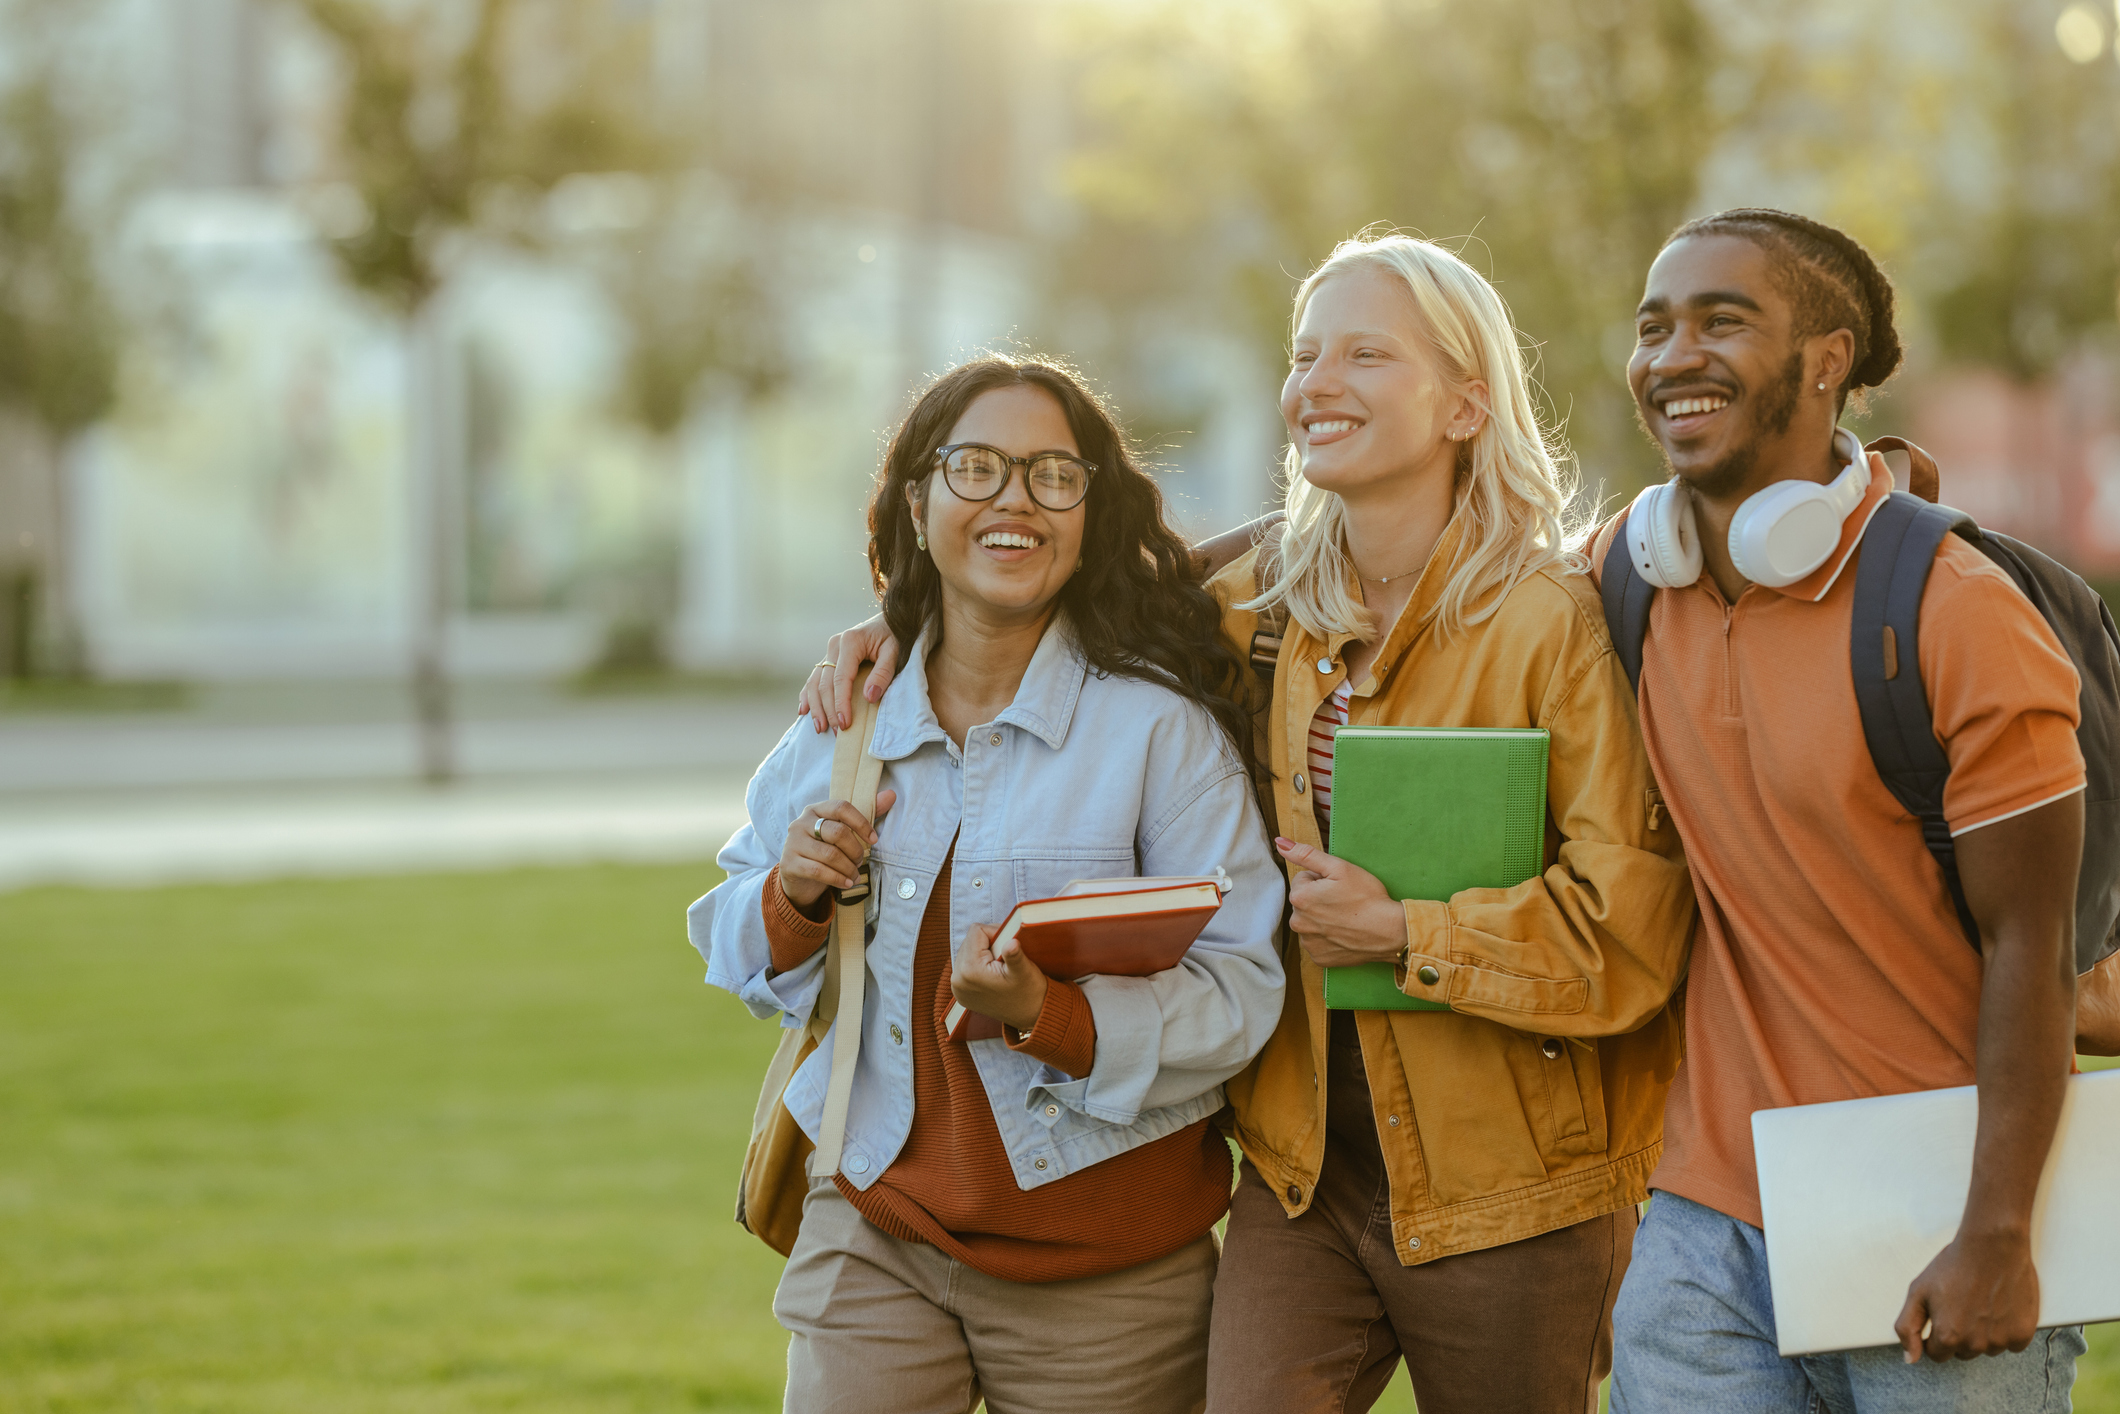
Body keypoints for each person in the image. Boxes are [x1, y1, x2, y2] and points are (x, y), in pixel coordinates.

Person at [802, 235, 1697, 1414]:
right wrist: (893, 627)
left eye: (1364, 353)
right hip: (1298, 1179)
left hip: (1512, 1189)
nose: (1313, 381)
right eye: (1302, 352)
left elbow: (1630, 934)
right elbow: (1027, 579)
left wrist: (1404, 931)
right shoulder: (1252, 605)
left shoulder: (1547, 626)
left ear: (1466, 400)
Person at [690, 354, 1287, 1414]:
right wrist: (792, 894)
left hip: (1108, 1277)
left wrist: (1052, 1016)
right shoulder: (846, 720)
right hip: (876, 1228)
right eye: (976, 467)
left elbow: (1241, 990)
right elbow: (730, 943)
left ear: (1086, 514)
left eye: (1052, 474)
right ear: (917, 504)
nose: (1014, 497)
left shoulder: (1157, 734)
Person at [1592, 209, 2088, 1412]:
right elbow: (1453, 555)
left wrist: (1995, 1231)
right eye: (1654, 326)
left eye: (1722, 321)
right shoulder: (1629, 573)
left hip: (1936, 1210)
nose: (1671, 356)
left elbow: (2035, 946)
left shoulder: (1952, 609)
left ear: (1824, 361)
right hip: (1703, 1220)